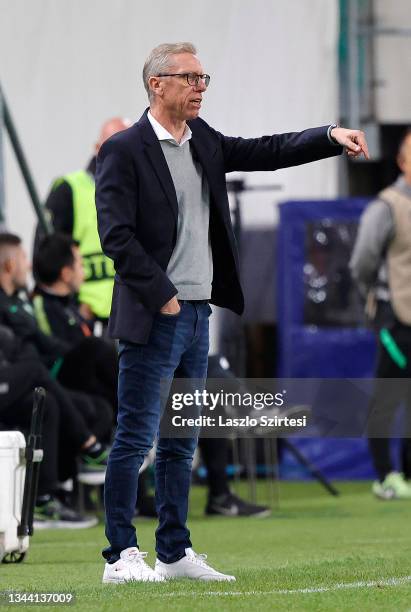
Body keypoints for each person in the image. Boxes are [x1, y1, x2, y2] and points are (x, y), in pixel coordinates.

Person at [95, 41, 369, 584]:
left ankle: (173, 552)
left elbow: (268, 149)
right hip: (156, 313)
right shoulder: (124, 150)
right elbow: (116, 235)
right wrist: (163, 292)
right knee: (136, 436)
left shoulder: (206, 142)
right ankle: (120, 556)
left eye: (204, 77)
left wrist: (329, 136)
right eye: (190, 77)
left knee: (182, 441)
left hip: (199, 316)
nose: (200, 86)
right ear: (157, 84)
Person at [0, 233, 111, 483]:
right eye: (23, 259)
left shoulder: (21, 303)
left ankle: (57, 489)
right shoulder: (33, 304)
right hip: (30, 378)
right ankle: (89, 449)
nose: (28, 266)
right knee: (87, 353)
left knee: (98, 405)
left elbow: (41, 344)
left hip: (34, 378)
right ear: (8, 266)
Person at [350, 128, 411, 500]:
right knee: (389, 398)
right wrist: (376, 303)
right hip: (395, 317)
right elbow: (361, 264)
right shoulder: (386, 206)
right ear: (402, 162)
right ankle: (384, 475)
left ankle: (406, 473)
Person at [37, 118, 131, 325]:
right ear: (97, 148)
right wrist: (69, 305)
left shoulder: (142, 190)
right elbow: (47, 254)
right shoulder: (69, 189)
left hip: (130, 312)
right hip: (84, 315)